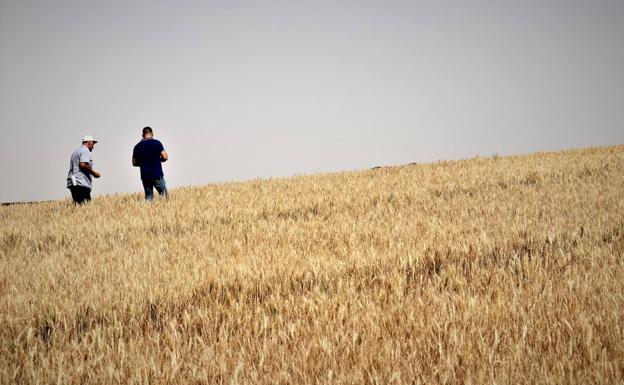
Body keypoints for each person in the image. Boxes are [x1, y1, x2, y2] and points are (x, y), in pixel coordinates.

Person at [132, 127, 169, 201]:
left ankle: (148, 211)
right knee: (164, 195)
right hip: (157, 174)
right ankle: (163, 211)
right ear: (152, 133)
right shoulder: (157, 143)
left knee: (149, 197)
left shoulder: (137, 146)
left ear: (142, 135)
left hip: (145, 175)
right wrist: (158, 160)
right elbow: (165, 157)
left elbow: (134, 163)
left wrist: (143, 163)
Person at [67, 135, 101, 204]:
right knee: (86, 206)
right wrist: (94, 173)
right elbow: (83, 164)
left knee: (78, 206)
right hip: (81, 183)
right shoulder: (85, 151)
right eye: (93, 144)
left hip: (73, 182)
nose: (93, 147)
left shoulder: (75, 152)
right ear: (89, 142)